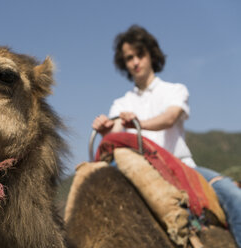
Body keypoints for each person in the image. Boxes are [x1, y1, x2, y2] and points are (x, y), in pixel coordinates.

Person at [92, 25, 241, 247]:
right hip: (141, 172)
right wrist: (105, 132)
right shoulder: (121, 103)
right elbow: (115, 133)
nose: (135, 62)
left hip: (183, 168)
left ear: (151, 54)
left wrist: (137, 123)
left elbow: (170, 117)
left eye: (139, 54)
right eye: (129, 58)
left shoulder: (175, 90)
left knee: (232, 193)